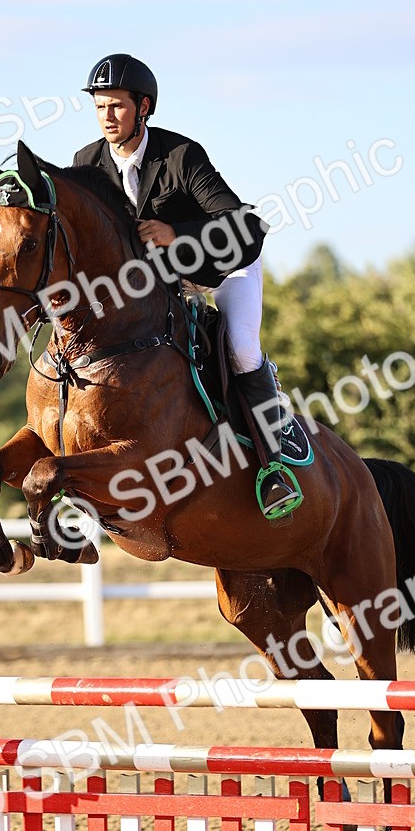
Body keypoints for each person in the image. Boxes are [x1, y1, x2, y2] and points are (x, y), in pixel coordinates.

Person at [73, 52, 301, 521]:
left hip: (222, 269)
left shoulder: (181, 155)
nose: (107, 117)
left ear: (144, 107)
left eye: (116, 106)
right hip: (155, 288)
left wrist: (177, 235)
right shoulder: (87, 164)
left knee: (240, 348)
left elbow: (246, 227)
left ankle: (274, 467)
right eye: (100, 107)